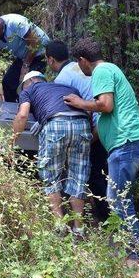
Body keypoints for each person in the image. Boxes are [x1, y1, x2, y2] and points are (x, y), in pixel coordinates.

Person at [63, 37, 139, 261]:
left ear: (83, 61)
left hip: (126, 142)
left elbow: (106, 105)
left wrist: (80, 102)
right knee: (122, 196)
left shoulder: (101, 71)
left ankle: (134, 255)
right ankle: (134, 249)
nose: (79, 68)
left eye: (78, 63)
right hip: (126, 143)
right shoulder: (110, 70)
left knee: (118, 198)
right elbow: (106, 113)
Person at [13, 71, 91, 235]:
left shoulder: (30, 89)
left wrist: (12, 141)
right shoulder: (67, 87)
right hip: (82, 125)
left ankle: (60, 226)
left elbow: (22, 115)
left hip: (56, 125)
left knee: (50, 176)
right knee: (78, 177)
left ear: (32, 80)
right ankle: (79, 228)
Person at [46, 40, 109, 221]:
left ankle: (107, 219)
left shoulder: (62, 78)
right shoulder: (79, 67)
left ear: (50, 60)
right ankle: (107, 217)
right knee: (103, 172)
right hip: (104, 123)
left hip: (92, 126)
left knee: (93, 174)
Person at [0, 11, 50, 102]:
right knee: (8, 83)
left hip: (41, 53)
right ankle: (10, 111)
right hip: (23, 56)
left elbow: (34, 42)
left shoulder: (15, 22)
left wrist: (26, 65)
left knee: (29, 83)